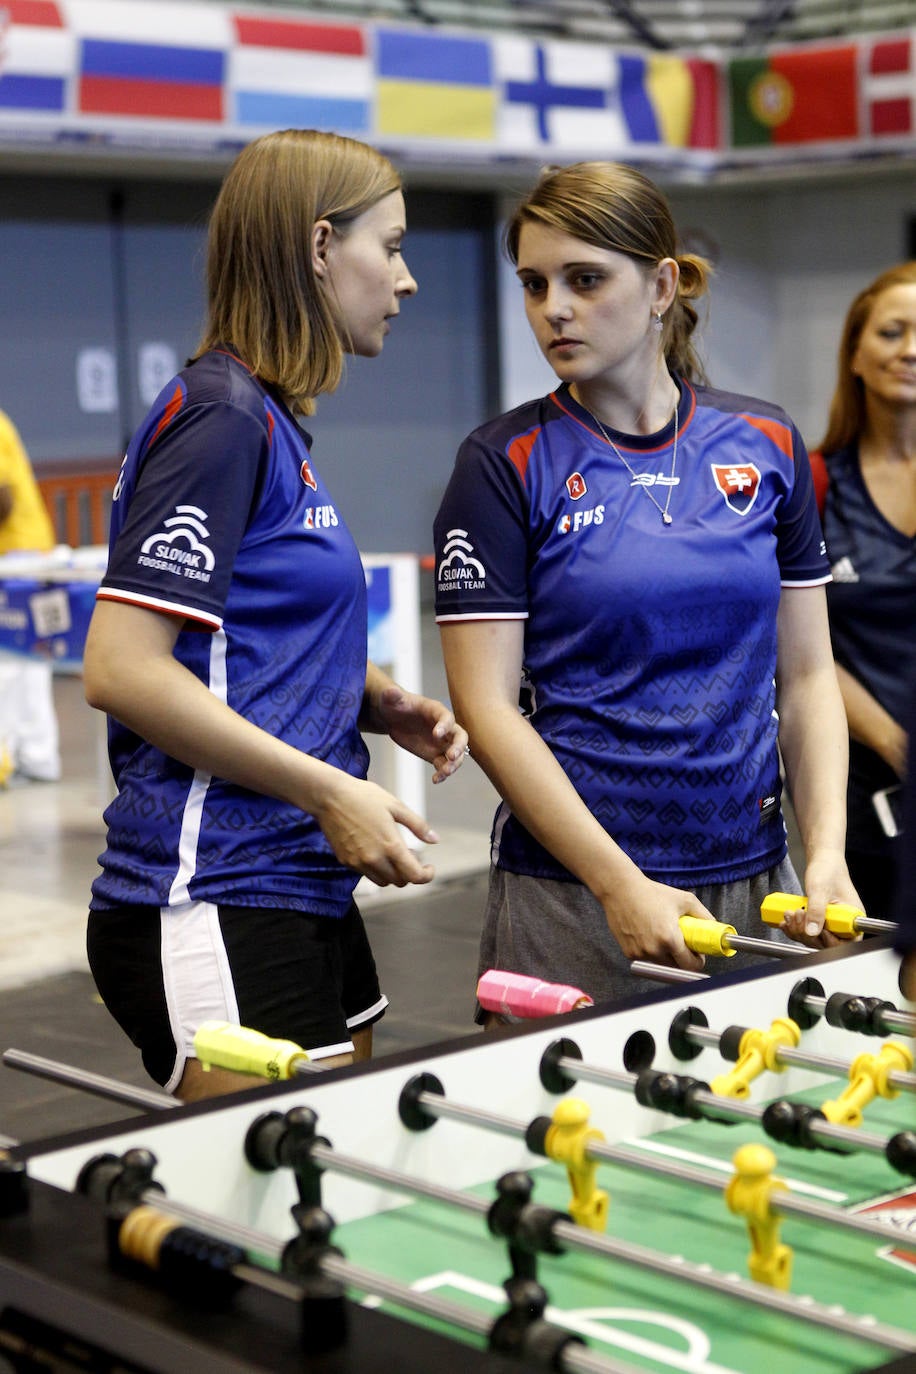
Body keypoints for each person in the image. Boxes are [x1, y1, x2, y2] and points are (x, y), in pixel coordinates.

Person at [83, 129, 467, 1101]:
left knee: (342, 1183)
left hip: (300, 880)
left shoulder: (266, 417)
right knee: (273, 1223)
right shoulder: (219, 417)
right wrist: (331, 792)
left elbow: (243, 634)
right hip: (216, 887)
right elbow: (123, 670)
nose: (406, 279)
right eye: (391, 245)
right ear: (317, 248)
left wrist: (372, 699)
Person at [433, 160, 861, 1013]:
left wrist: (827, 854)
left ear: (662, 284)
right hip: (573, 896)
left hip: (753, 882)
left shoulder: (766, 441)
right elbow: (487, 712)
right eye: (534, 283)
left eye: (585, 280)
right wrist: (617, 883)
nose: (553, 307)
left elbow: (808, 676)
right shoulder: (503, 462)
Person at [809, 263, 916, 922]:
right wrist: (901, 746)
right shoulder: (814, 484)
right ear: (855, 351)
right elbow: (798, 644)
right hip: (862, 791)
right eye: (892, 332)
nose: (909, 350)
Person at [0, 407, 61, 784]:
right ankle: (36, 758)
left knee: (13, 662)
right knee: (27, 662)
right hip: (25, 555)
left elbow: (2, 502)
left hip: (19, 559)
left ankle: (15, 759)